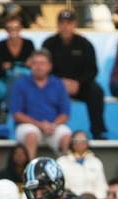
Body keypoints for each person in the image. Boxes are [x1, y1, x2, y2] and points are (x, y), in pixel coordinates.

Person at [43, 9, 106, 140]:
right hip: (55, 85)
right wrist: (60, 83)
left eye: (69, 23)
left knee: (96, 91)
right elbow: (43, 68)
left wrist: (78, 83)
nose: (65, 27)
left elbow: (92, 70)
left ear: (74, 25)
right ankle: (47, 128)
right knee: (42, 89)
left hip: (79, 86)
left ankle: (98, 131)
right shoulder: (49, 44)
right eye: (62, 23)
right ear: (58, 25)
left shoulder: (85, 44)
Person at [11, 49, 72, 159]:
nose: (39, 67)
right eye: (35, 63)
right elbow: (17, 114)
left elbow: (65, 113)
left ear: (49, 66)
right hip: (28, 125)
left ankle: (66, 168)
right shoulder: (20, 84)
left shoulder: (58, 84)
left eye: (42, 63)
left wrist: (52, 125)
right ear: (30, 65)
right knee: (31, 134)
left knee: (66, 135)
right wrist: (39, 125)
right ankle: (30, 170)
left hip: (53, 126)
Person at [0, 13, 34, 117]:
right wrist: (21, 65)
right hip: (6, 79)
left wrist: (11, 65)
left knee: (17, 76)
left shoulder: (29, 44)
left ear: (21, 28)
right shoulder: (1, 45)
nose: (13, 30)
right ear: (6, 30)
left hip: (25, 78)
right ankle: (14, 112)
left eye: (16, 27)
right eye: (10, 28)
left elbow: (32, 64)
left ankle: (10, 112)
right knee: (13, 78)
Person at [56, 130, 108, 199]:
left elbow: (101, 186)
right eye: (77, 140)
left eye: (83, 140)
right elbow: (62, 187)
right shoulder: (61, 162)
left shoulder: (96, 162)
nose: (80, 143)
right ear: (71, 143)